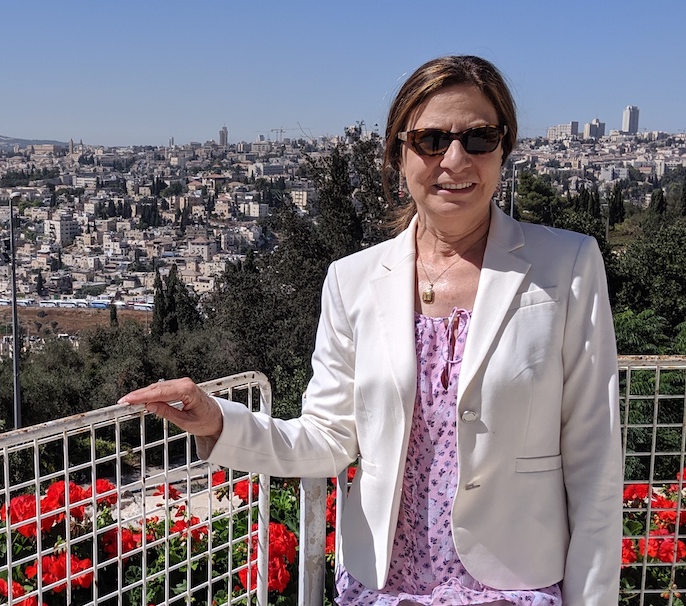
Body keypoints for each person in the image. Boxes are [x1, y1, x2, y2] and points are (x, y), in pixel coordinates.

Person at [119, 55, 621, 606]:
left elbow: (594, 460)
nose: (455, 159)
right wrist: (219, 423)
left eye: (478, 138)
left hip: (515, 585)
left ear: (504, 149)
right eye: (431, 140)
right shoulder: (353, 280)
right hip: (385, 584)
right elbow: (330, 439)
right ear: (398, 153)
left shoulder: (567, 266)